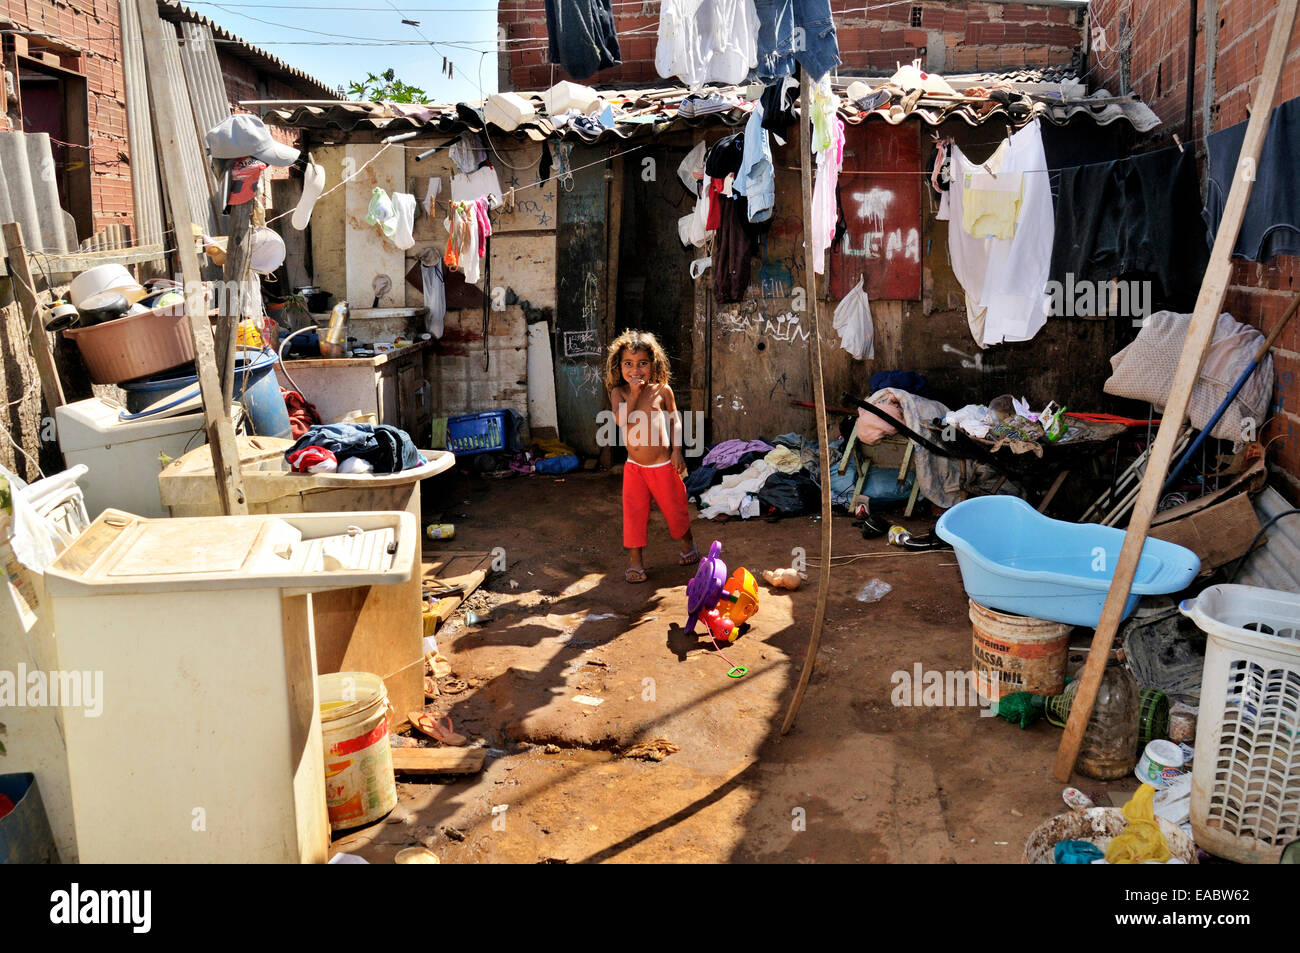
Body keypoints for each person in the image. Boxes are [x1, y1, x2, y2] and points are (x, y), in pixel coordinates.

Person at [605, 330, 697, 583]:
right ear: (619, 365)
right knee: (634, 514)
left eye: (642, 363)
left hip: (663, 465)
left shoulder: (662, 391)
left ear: (653, 363)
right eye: (628, 364)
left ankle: (688, 543)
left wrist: (678, 451)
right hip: (634, 468)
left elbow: (675, 421)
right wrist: (634, 393)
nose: (636, 369)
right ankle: (636, 562)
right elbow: (621, 420)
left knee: (675, 509)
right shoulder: (619, 393)